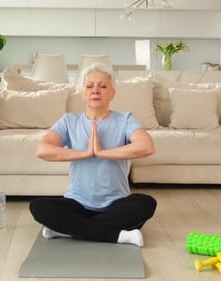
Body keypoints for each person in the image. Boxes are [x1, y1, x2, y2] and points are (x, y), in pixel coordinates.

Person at [29, 63, 157, 247]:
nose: (95, 90)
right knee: (38, 207)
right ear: (83, 93)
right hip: (77, 204)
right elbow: (42, 150)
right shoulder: (69, 121)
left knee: (145, 203)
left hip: (116, 205)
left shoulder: (125, 119)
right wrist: (85, 153)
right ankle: (119, 236)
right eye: (89, 86)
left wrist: (103, 153)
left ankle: (66, 230)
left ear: (112, 93)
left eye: (103, 86)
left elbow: (146, 146)